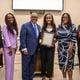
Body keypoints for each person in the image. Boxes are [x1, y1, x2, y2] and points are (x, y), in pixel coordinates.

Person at [20, 12, 40, 80]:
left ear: (37, 18)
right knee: (25, 67)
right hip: (27, 50)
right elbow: (22, 37)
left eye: (36, 17)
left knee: (32, 66)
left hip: (35, 51)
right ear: (30, 17)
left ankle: (31, 78)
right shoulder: (25, 25)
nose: (34, 18)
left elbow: (38, 38)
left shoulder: (38, 26)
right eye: (33, 17)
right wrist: (24, 48)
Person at [57, 13, 76, 80]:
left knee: (69, 66)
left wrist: (70, 48)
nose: (65, 18)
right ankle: (64, 78)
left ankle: (70, 79)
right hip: (61, 49)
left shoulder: (73, 26)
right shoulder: (59, 26)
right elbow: (56, 37)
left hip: (69, 48)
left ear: (69, 18)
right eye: (63, 17)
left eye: (66, 17)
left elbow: (74, 38)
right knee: (62, 65)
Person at [40, 13, 57, 80]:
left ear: (52, 19)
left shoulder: (55, 27)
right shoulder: (43, 27)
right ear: (45, 19)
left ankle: (49, 75)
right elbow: (41, 37)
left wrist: (53, 42)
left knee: (50, 61)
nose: (48, 19)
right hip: (43, 47)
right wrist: (43, 42)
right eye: (47, 18)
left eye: (50, 17)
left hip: (51, 47)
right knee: (43, 60)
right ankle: (43, 74)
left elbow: (56, 37)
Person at [2, 13, 18, 80]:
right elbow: (6, 38)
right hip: (8, 49)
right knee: (8, 67)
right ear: (6, 19)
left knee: (12, 66)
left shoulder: (13, 27)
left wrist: (16, 46)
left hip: (13, 48)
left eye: (12, 17)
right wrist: (10, 47)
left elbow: (15, 38)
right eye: (9, 18)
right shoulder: (5, 27)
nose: (11, 19)